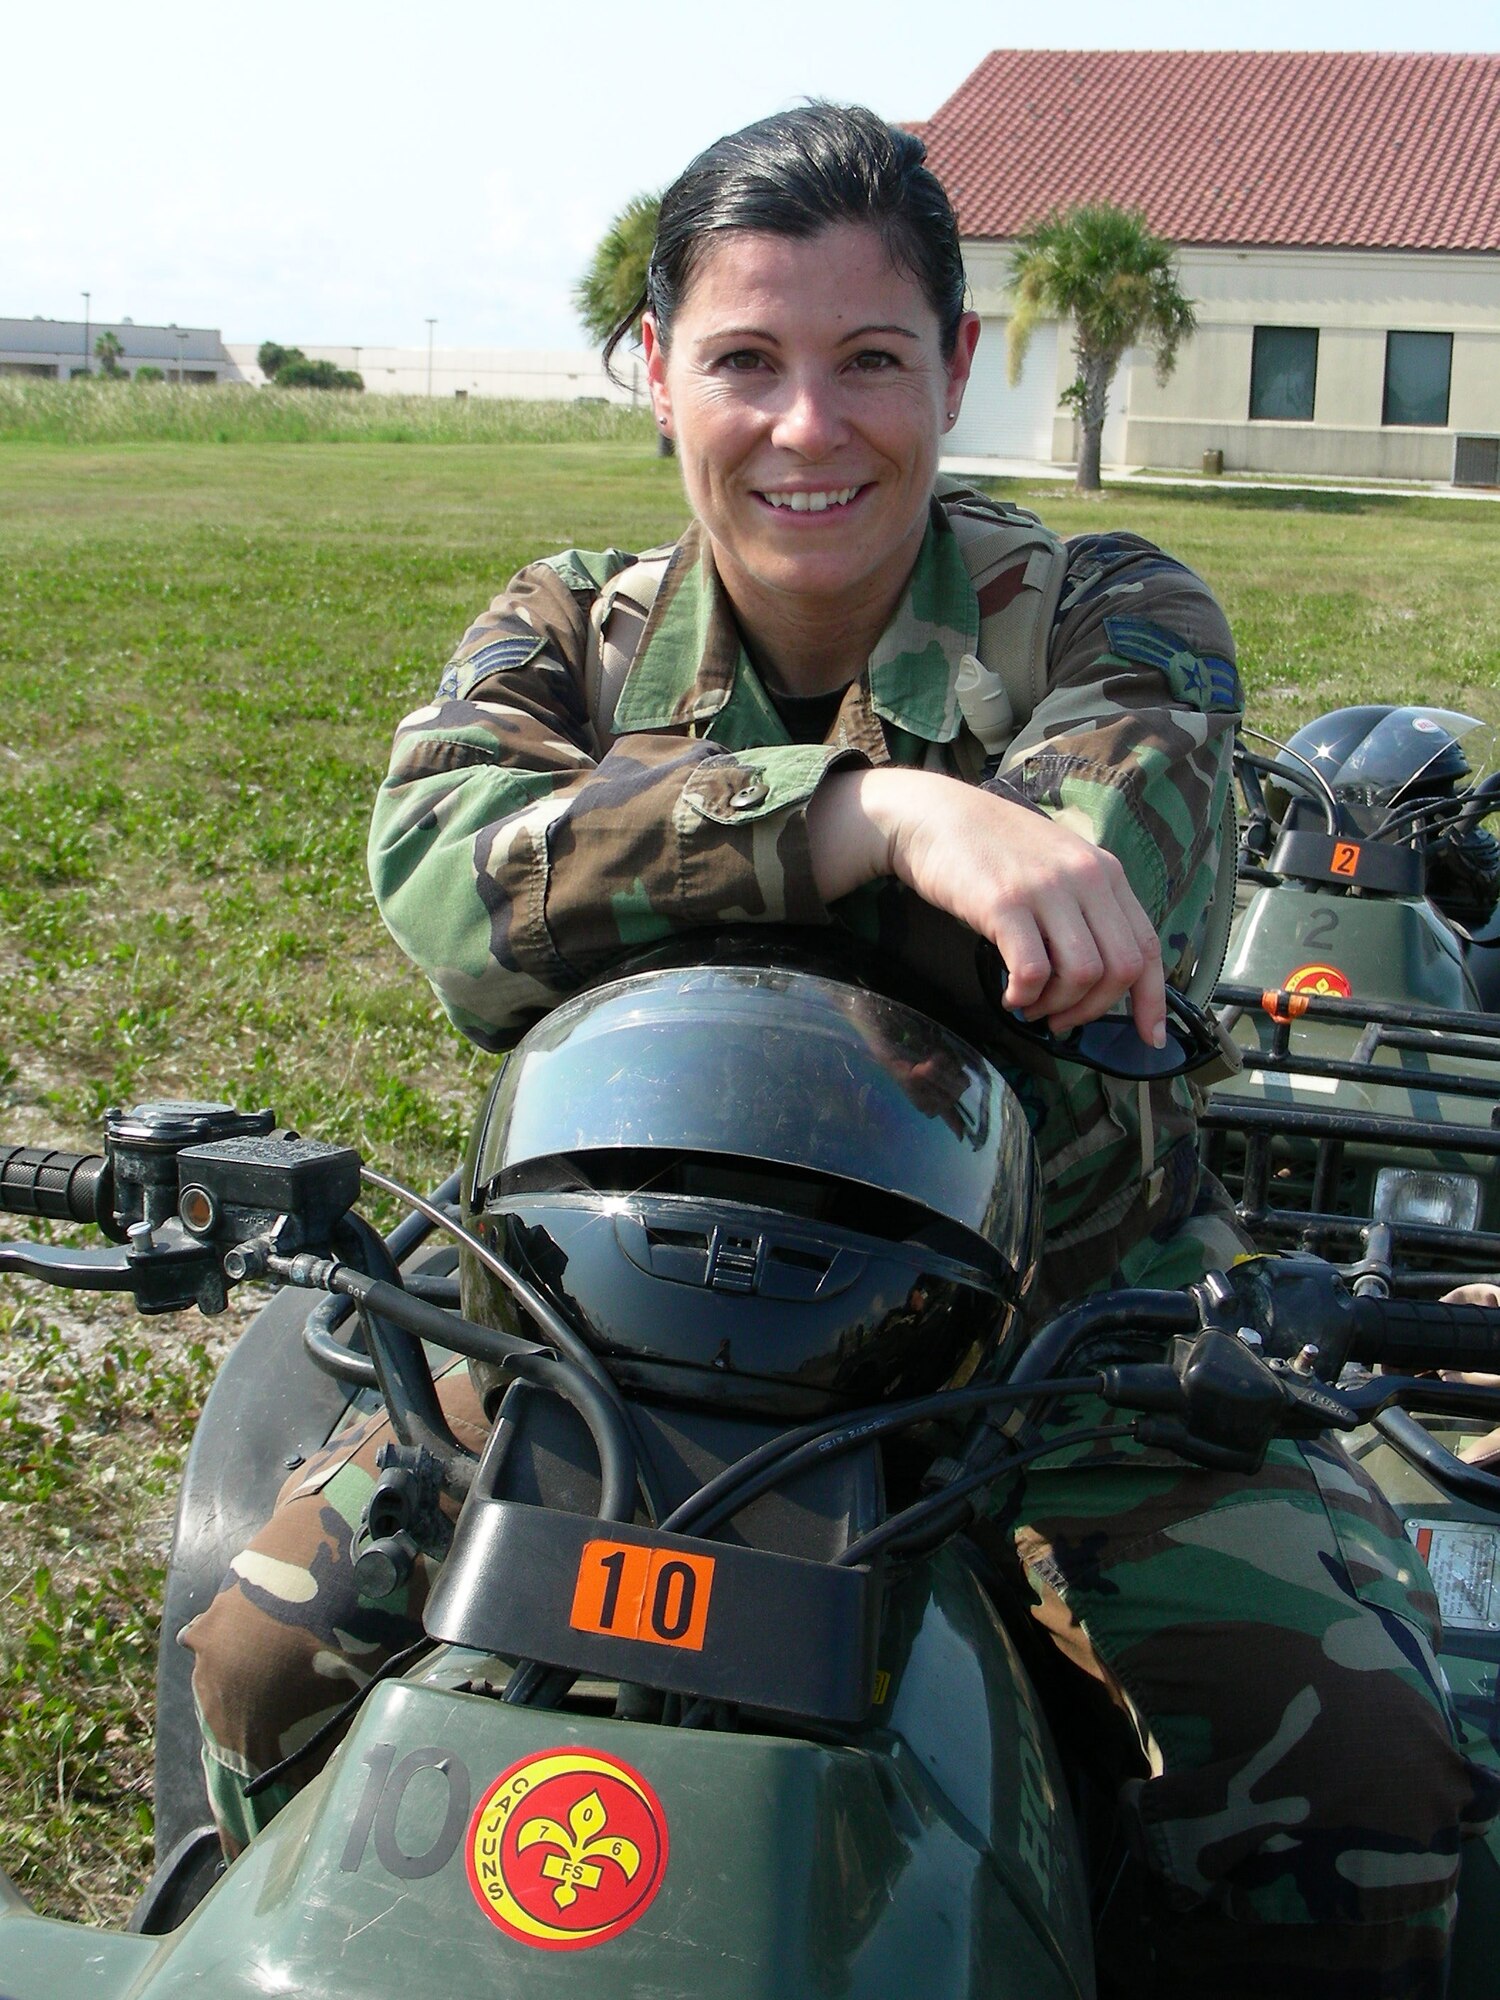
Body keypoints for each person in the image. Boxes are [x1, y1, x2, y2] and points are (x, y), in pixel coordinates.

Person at [183, 105, 1497, 1996]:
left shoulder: (1111, 616)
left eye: (869, 360)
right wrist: (881, 826)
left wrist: (632, 859)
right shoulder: (565, 626)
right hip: (601, 1316)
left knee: (1353, 1779)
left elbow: (1080, 929)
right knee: (263, 1658)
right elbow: (443, 878)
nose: (809, 429)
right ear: (659, 375)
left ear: (956, 367)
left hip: (1071, 1334)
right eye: (746, 362)